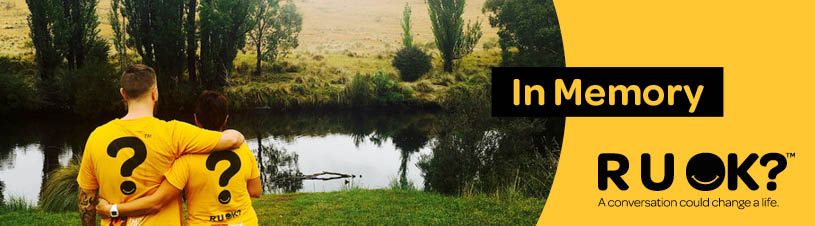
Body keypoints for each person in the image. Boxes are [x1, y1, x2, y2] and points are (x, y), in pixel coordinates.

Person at [77, 65, 246, 226]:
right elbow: (231, 140)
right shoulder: (174, 132)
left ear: (123, 94)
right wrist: (237, 134)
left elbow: (86, 201)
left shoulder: (96, 136)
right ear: (154, 94)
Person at [96, 91, 263, 226]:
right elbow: (256, 191)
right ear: (226, 119)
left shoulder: (186, 159)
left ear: (196, 119)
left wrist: (112, 209)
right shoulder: (243, 149)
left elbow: (156, 201)